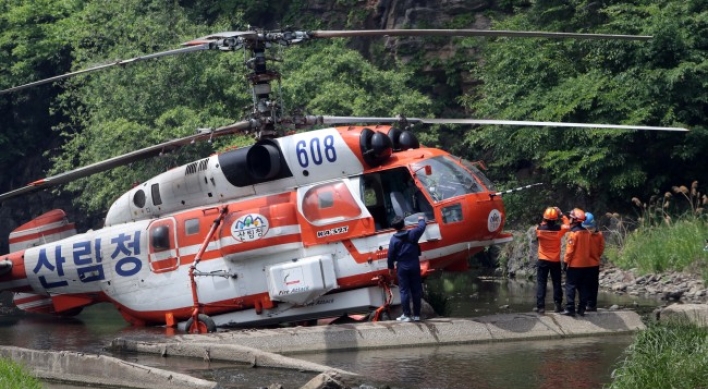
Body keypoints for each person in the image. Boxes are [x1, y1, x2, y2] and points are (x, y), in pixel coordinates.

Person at [388, 215, 427, 322]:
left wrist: (390, 268)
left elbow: (390, 255)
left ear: (395, 228)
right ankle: (417, 315)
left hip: (402, 266)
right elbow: (421, 227)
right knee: (416, 290)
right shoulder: (413, 233)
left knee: (404, 291)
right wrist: (421, 219)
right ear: (404, 224)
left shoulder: (394, 239)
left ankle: (406, 315)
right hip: (414, 264)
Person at [534, 207, 569, 314]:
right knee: (557, 283)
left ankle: (541, 307)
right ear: (555, 219)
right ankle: (558, 305)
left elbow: (542, 224)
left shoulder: (539, 230)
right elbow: (567, 225)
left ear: (545, 218)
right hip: (555, 260)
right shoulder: (559, 230)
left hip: (543, 259)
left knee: (541, 283)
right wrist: (561, 213)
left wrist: (545, 220)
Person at [561, 208, 593, 317]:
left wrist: (565, 263)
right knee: (583, 286)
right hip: (586, 264)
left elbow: (570, 251)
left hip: (575, 265)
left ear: (574, 220)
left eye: (571, 218)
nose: (570, 220)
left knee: (570, 286)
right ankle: (582, 308)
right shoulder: (588, 233)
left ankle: (570, 308)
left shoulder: (574, 234)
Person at [583, 212, 605, 312]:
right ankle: (592, 305)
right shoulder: (599, 234)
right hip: (595, 263)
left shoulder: (584, 235)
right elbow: (601, 249)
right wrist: (596, 256)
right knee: (594, 285)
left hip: (585, 263)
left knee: (585, 284)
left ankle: (585, 304)